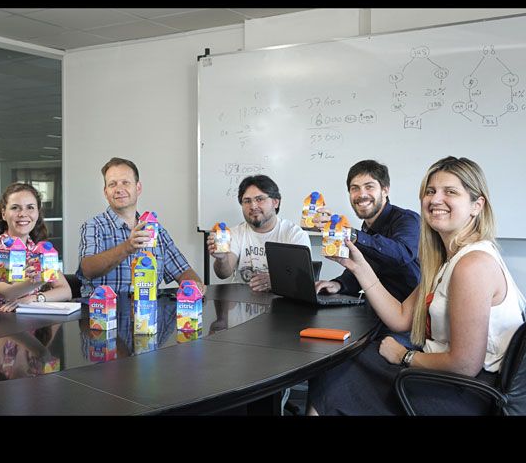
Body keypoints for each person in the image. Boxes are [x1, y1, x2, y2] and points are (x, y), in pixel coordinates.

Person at [308, 156, 526, 415]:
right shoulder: (448, 261)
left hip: (464, 390)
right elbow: (401, 318)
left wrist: (404, 357)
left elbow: (464, 364)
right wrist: (357, 266)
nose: (435, 200)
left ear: (476, 205)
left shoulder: (472, 265)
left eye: (450, 192)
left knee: (334, 373)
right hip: (445, 377)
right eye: (430, 191)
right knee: (337, 363)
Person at [77, 157, 204, 297]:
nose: (119, 189)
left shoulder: (156, 230)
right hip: (103, 313)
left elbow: (183, 271)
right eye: (112, 184)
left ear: (138, 188)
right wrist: (128, 247)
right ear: (106, 192)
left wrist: (193, 285)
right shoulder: (94, 226)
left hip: (148, 312)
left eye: (125, 182)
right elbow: (87, 269)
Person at [313, 160, 420, 303]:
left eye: (369, 187)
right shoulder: (366, 228)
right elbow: (365, 268)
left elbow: (401, 254)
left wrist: (348, 233)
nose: (361, 194)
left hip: (409, 313)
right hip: (376, 309)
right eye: (355, 188)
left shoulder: (408, 219)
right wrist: (339, 284)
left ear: (385, 190)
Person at [0, 182, 71, 312]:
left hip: (27, 320)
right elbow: (7, 292)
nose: (23, 214)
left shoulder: (36, 248)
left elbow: (65, 291)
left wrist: (34, 298)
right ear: (4, 214)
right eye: (15, 208)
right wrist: (40, 280)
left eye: (30, 207)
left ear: (37, 213)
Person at [206, 175, 310, 292]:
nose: (253, 206)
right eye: (247, 201)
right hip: (242, 302)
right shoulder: (235, 233)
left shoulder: (294, 234)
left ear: (275, 202)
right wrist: (222, 259)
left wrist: (275, 281)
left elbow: (302, 278)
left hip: (282, 300)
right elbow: (223, 274)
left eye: (259, 199)